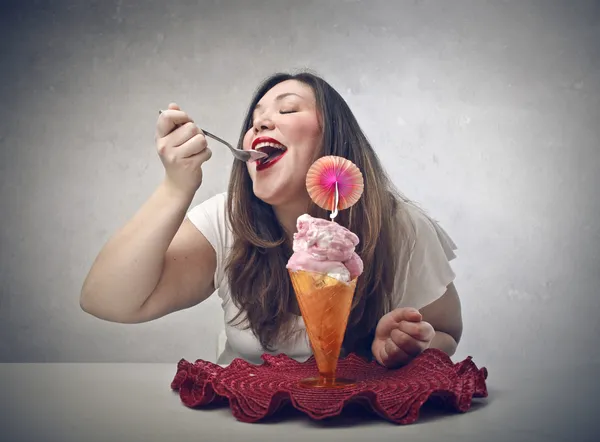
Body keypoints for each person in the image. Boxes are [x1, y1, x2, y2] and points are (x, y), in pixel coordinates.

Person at [80, 71, 462, 368]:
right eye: (255, 119)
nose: (260, 124)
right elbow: (107, 301)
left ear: (333, 136)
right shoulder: (225, 222)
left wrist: (409, 347)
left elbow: (445, 332)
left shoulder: (399, 228)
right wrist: (176, 187)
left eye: (288, 109)